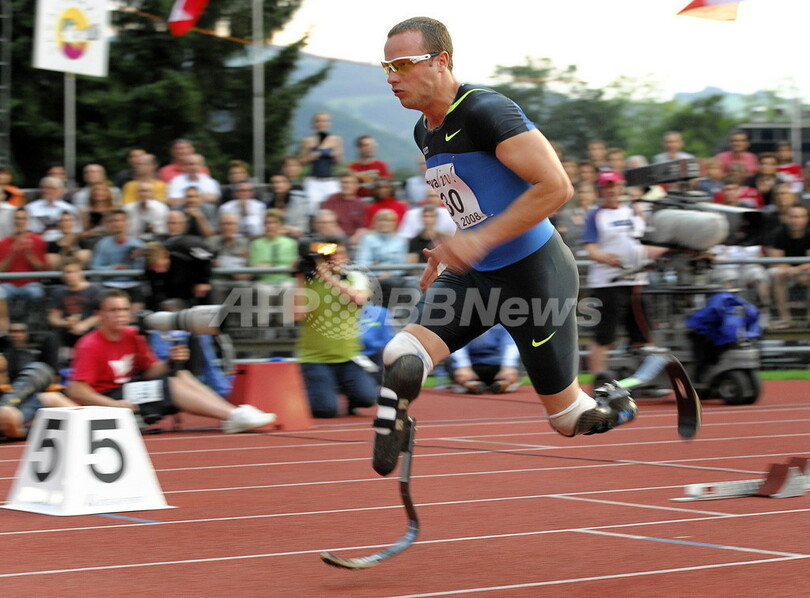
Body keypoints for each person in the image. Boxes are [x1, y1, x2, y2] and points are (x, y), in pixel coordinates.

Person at [370, 17, 639, 479]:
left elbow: (556, 187)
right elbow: (476, 204)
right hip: (476, 276)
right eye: (387, 67)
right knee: (401, 354)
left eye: (403, 64)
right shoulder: (423, 131)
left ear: (441, 61)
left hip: (535, 277)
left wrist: (476, 240)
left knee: (568, 420)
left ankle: (621, 401)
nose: (392, 76)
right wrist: (453, 248)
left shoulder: (485, 110)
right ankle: (394, 422)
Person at [67, 289, 275, 432]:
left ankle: (233, 413)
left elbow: (149, 370)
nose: (120, 315)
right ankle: (233, 416)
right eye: (113, 310)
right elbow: (76, 390)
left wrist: (170, 362)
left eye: (123, 309)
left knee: (179, 373)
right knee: (170, 386)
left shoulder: (132, 335)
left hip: (126, 391)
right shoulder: (90, 345)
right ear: (99, 315)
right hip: (106, 399)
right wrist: (114, 404)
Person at [582, 171, 666, 374]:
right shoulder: (596, 214)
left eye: (615, 186)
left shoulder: (635, 212)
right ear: (601, 190)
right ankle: (598, 378)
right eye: (607, 187)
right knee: (604, 336)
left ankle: (644, 378)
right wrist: (604, 257)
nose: (611, 191)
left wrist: (667, 250)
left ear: (621, 188)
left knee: (643, 335)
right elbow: (590, 249)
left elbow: (646, 242)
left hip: (637, 281)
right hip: (608, 283)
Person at [293, 237, 377, 418]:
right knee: (325, 410)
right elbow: (297, 315)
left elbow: (359, 298)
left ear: (346, 257)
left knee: (367, 398)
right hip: (315, 359)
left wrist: (327, 277)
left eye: (340, 254)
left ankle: (338, 388)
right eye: (330, 255)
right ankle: (310, 390)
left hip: (349, 357)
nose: (336, 258)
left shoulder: (356, 278)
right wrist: (299, 277)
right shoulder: (308, 281)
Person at [42, 258, 101, 370]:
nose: (70, 276)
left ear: (80, 272)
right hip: (67, 330)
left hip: (90, 329)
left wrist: (84, 324)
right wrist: (66, 323)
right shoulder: (58, 292)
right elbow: (53, 318)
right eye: (66, 272)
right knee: (51, 339)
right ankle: (54, 373)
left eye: (73, 272)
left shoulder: (94, 290)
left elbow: (101, 315)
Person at [767, 204, 810, 328]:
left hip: (803, 271)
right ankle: (785, 319)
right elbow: (775, 260)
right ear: (786, 218)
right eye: (792, 217)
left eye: (799, 217)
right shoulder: (778, 233)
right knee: (776, 275)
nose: (795, 220)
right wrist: (790, 269)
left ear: (806, 218)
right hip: (785, 270)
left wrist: (798, 270)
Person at [446, 324, 521, 394]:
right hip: (471, 368)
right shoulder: (462, 326)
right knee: (449, 358)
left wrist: (508, 367)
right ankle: (469, 383)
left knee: (520, 355)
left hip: (498, 367)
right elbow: (458, 347)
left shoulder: (502, 325)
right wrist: (463, 367)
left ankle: (503, 381)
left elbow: (510, 345)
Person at [298, 112, 344, 213]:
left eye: (325, 121)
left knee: (334, 209)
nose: (322, 123)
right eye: (318, 121)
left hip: (330, 181)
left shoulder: (336, 140)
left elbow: (339, 162)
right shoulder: (308, 141)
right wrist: (310, 157)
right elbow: (301, 161)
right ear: (314, 124)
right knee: (312, 210)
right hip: (314, 181)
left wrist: (335, 156)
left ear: (329, 123)